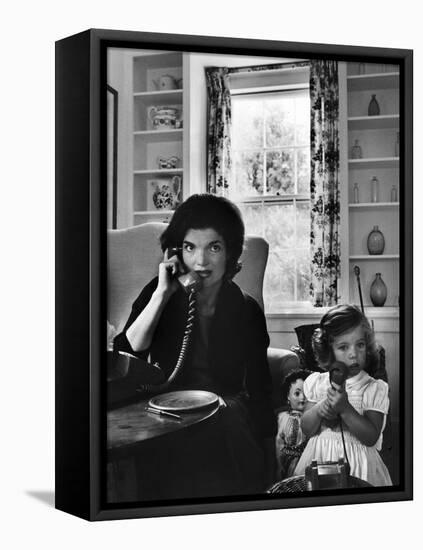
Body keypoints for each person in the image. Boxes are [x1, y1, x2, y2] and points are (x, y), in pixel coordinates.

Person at [114, 193, 277, 499]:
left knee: (220, 430)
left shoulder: (246, 309)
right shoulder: (160, 292)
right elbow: (127, 352)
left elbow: (260, 387)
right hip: (167, 413)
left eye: (213, 247)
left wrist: (270, 451)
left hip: (222, 413)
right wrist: (162, 294)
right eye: (189, 247)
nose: (200, 262)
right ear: (176, 251)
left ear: (229, 252)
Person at [294, 304, 392, 486]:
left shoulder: (372, 388)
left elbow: (371, 436)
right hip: (319, 461)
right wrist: (319, 409)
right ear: (328, 351)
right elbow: (307, 428)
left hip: (360, 469)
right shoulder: (317, 383)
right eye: (343, 347)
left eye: (360, 345)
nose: (353, 354)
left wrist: (345, 409)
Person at [275, 369, 310, 480]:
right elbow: (278, 442)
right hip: (284, 463)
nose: (302, 398)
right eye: (297, 393)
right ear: (288, 396)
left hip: (307, 462)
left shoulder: (314, 418)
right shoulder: (281, 416)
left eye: (307, 393)